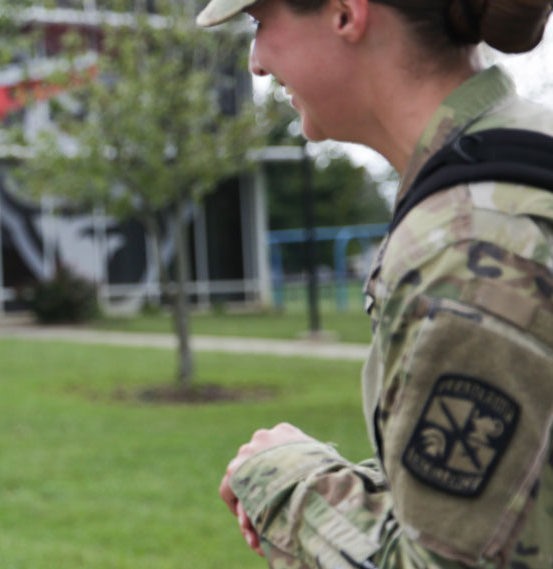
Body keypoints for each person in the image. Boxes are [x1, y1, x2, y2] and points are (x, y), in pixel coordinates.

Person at [196, 0, 553, 567]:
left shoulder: (465, 249)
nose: (256, 62)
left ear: (345, 13)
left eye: (260, 22)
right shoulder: (524, 161)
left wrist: (286, 476)